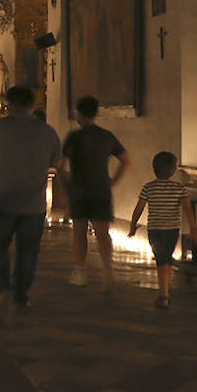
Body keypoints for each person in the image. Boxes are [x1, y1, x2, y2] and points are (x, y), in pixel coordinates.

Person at [0, 85, 62, 323]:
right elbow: (58, 161)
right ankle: (21, 295)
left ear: (8, 104)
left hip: (3, 199)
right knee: (28, 251)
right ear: (32, 104)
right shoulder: (46, 131)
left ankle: (3, 287)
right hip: (34, 203)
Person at [59, 96, 130, 291]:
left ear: (79, 114)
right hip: (101, 189)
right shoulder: (106, 136)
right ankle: (107, 270)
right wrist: (112, 181)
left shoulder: (73, 137)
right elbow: (126, 160)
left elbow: (61, 166)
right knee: (102, 233)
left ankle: (81, 272)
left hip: (80, 190)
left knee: (79, 232)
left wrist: (67, 186)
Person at [128, 152, 197, 310]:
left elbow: (138, 208)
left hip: (154, 230)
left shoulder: (149, 187)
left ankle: (164, 294)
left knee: (161, 260)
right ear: (173, 169)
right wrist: (193, 228)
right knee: (166, 259)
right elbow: (188, 208)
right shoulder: (179, 188)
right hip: (172, 230)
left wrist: (133, 225)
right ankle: (165, 290)